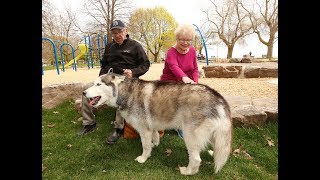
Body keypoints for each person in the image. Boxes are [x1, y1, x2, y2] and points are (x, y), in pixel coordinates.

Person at [77, 20, 151, 145]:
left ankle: (118, 128)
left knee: (121, 93)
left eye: (120, 31)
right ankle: (89, 123)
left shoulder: (135, 46)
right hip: (109, 77)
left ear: (126, 31)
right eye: (114, 33)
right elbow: (104, 65)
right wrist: (100, 79)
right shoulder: (109, 46)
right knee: (87, 88)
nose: (117, 35)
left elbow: (146, 64)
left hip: (126, 79)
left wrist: (133, 72)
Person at [160, 24, 199, 138]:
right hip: (170, 83)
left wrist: (195, 82)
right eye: (182, 39)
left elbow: (195, 69)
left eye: (188, 40)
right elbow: (174, 67)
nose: (185, 43)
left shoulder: (192, 50)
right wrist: (184, 78)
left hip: (186, 83)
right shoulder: (171, 52)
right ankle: (179, 127)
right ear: (177, 39)